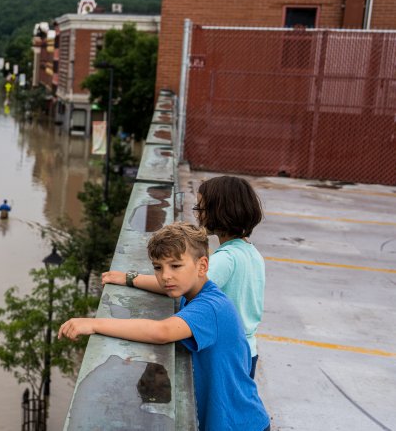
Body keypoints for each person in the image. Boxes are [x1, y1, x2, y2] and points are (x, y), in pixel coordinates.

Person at [59, 222, 270, 431]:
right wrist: (128, 278)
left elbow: (163, 332)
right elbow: (166, 286)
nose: (165, 276)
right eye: (158, 267)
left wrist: (94, 324)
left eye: (175, 266)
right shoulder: (195, 292)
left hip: (241, 423)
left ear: (202, 266)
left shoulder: (210, 308)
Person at [101, 175, 265, 378]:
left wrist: (131, 279)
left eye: (201, 209)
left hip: (229, 354)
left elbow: (179, 285)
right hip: (248, 349)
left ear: (220, 211)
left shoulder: (227, 259)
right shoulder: (250, 252)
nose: (197, 215)